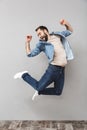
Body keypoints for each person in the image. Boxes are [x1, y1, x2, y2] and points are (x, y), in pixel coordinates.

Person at [14, 19, 74, 100]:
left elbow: (70, 31)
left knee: (58, 91)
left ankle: (39, 92)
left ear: (45, 30)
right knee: (39, 87)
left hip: (62, 70)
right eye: (38, 35)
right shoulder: (41, 44)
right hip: (53, 69)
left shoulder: (57, 35)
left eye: (40, 33)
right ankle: (24, 75)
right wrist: (27, 42)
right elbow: (30, 54)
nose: (39, 36)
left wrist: (66, 23)